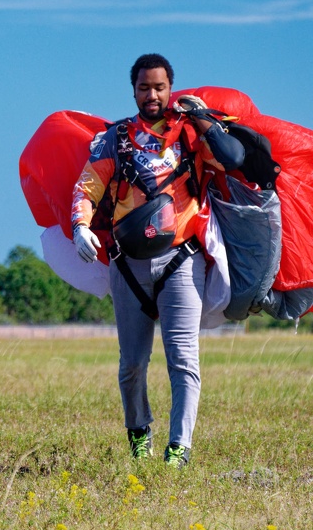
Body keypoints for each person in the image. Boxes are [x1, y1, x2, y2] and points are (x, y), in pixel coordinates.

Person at [71, 53, 244, 468]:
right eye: (144, 87)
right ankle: (139, 434)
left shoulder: (191, 135)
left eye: (159, 87)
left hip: (181, 260)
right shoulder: (114, 138)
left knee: (183, 358)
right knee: (132, 364)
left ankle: (179, 448)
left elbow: (234, 160)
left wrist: (202, 117)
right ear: (133, 90)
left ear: (171, 88)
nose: (152, 94)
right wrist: (80, 226)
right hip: (127, 266)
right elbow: (87, 186)